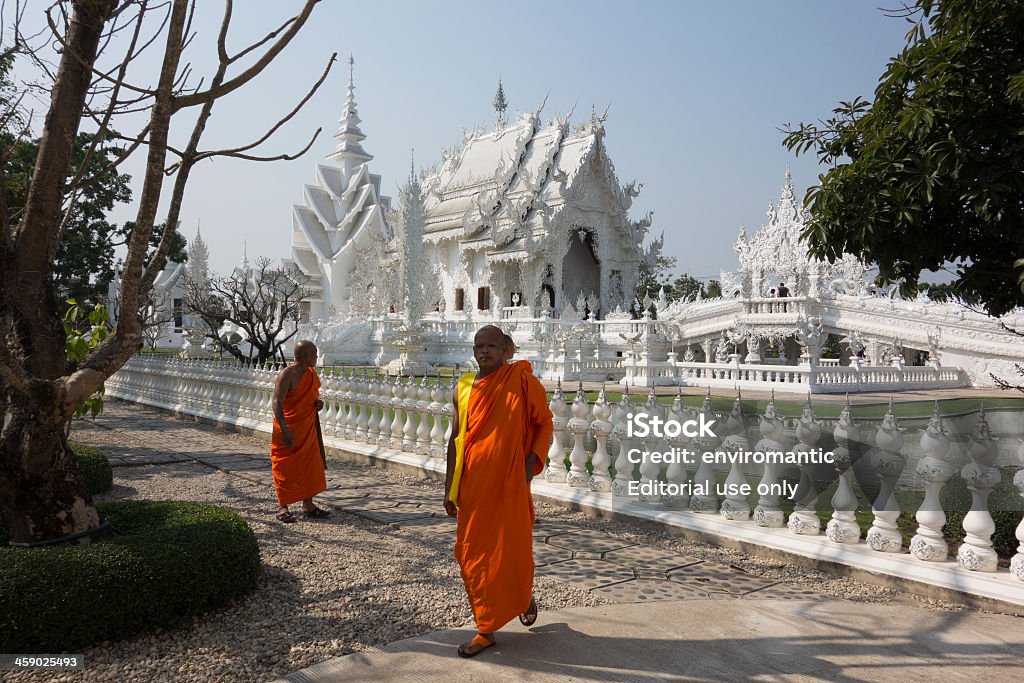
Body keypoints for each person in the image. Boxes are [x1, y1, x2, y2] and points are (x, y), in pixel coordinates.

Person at [444, 325, 554, 658]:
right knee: (472, 556)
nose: (484, 351)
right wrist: (450, 487)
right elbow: (454, 438)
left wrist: (531, 462)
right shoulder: (463, 387)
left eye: (491, 345)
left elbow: (545, 422)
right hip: (473, 486)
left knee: (512, 546)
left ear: (507, 350)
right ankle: (490, 619)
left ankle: (491, 625)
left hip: (509, 483)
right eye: (478, 346)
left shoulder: (521, 381)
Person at [270, 339, 330, 523]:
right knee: (285, 466)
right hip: (288, 427)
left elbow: (309, 397)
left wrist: (316, 404)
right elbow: (276, 402)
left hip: (307, 426)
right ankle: (283, 507)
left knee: (309, 464)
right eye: (314, 354)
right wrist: (285, 429)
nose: (317, 357)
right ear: (306, 356)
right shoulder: (287, 374)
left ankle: (308, 504)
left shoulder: (310, 374)